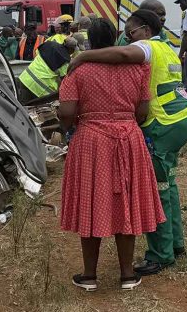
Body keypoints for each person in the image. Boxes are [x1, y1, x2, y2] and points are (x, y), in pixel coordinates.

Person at [69, 9, 187, 276]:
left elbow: (126, 55)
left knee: (157, 188)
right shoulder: (168, 48)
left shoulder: (147, 47)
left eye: (132, 32)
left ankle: (160, 255)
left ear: (147, 31)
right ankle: (176, 244)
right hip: (183, 117)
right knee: (168, 182)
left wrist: (83, 56)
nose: (128, 39)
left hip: (163, 122)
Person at [59, 19, 164, 291]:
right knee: (126, 202)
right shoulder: (139, 69)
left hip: (92, 140)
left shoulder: (78, 71)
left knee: (91, 202)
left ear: (90, 42)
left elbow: (68, 112)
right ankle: (128, 274)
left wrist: (68, 127)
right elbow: (142, 111)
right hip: (129, 138)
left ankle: (89, 276)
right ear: (117, 39)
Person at [18, 37, 77, 104]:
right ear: (71, 49)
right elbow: (64, 82)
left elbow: (37, 53)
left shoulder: (49, 44)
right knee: (37, 112)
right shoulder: (65, 61)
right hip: (40, 89)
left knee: (22, 107)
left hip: (25, 78)